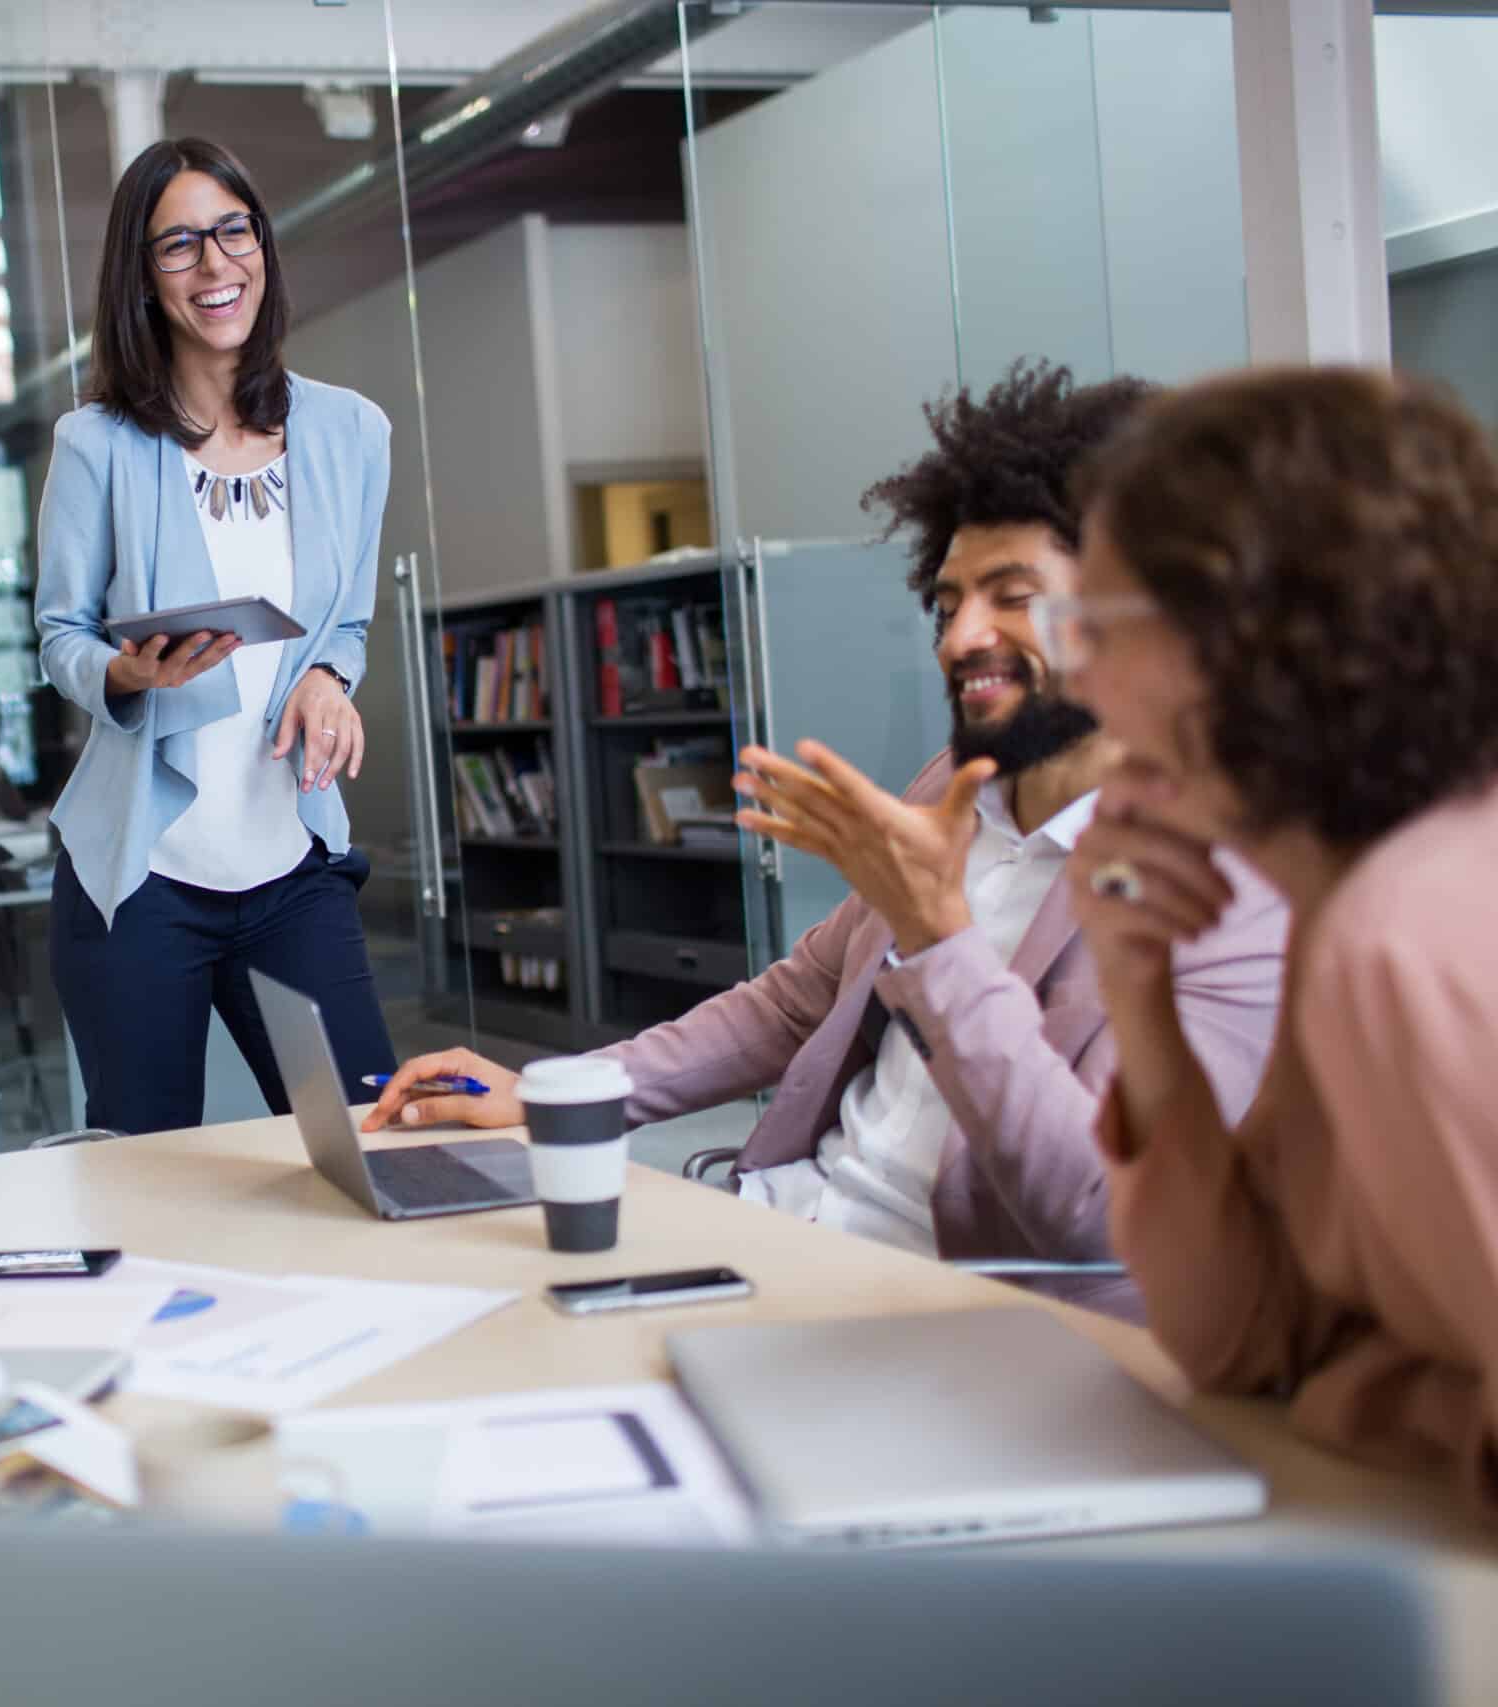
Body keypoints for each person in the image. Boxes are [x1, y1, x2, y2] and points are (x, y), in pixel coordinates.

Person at [366, 362, 1288, 1310]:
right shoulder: (957, 786)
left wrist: (942, 941)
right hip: (785, 1230)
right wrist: (559, 1091)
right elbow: (796, 1004)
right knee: (424, 1287)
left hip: (955, 1317)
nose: (960, 635)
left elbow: (1103, 1213)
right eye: (946, 601)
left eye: (1012, 595)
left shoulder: (1236, 880)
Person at [1065, 368, 1498, 1514]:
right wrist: (1131, 980)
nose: (1075, 673)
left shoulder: (1403, 933)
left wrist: (1366, 1398)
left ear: (1252, 637)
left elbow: (1296, 1370)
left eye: (1097, 624)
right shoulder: (1342, 904)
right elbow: (1245, 1337)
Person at [39, 136, 396, 1135]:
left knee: (369, 1146)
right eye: (178, 246)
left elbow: (348, 619)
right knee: (144, 1175)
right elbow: (58, 633)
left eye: (233, 231)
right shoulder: (97, 446)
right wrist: (121, 670)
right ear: (143, 279)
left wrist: (329, 673)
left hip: (291, 865)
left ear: (263, 246)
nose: (215, 265)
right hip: (142, 879)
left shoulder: (352, 433)